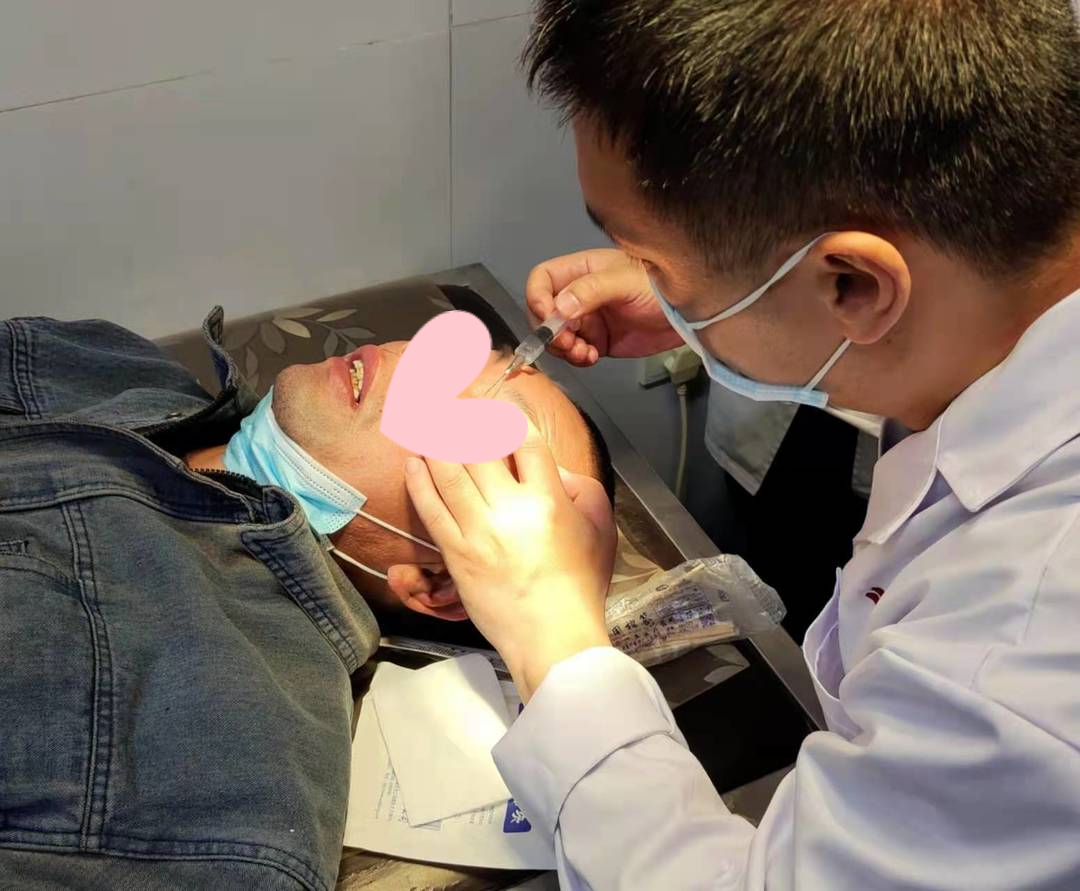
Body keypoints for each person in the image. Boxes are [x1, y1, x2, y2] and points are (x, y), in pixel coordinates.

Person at [400, 1, 1080, 888]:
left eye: (653, 261)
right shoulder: (1011, 262)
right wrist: (720, 299)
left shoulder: (1017, 655)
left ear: (853, 286)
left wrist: (555, 645)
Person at [0, 306, 612, 888]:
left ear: (437, 582)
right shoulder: (108, 361)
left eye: (477, 424)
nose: (406, 359)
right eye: (480, 356)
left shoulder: (219, 796)